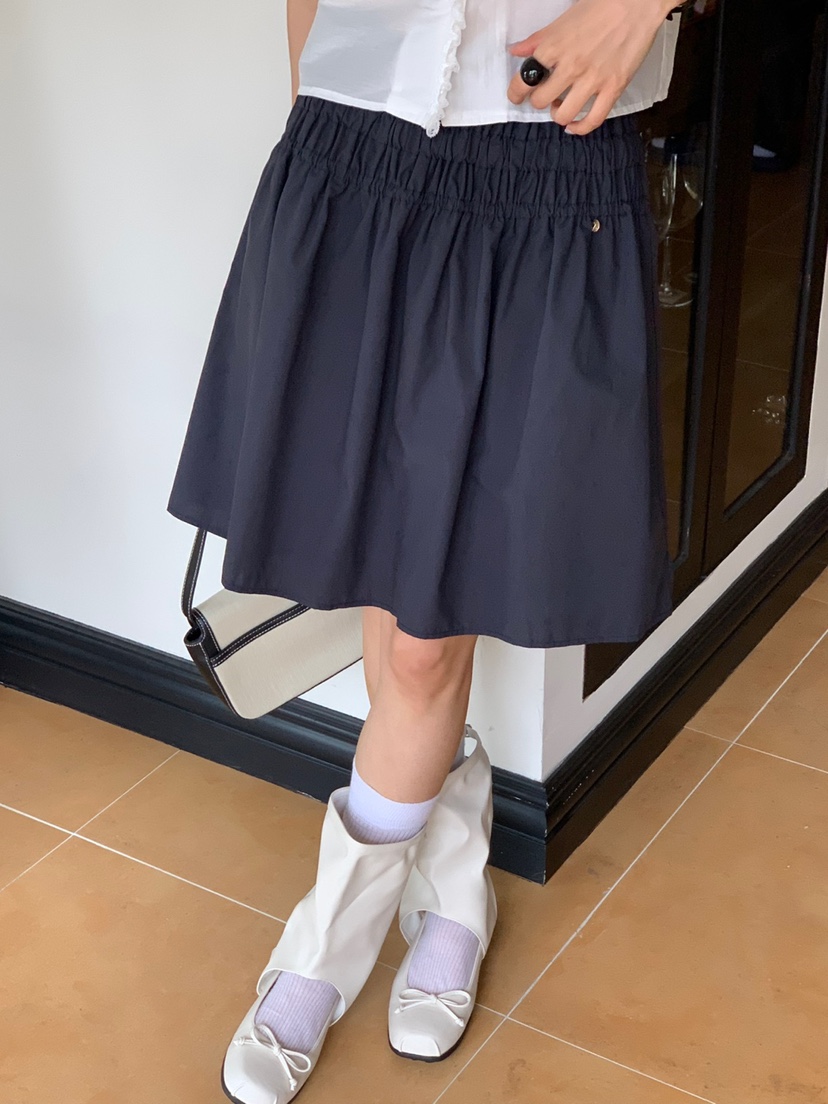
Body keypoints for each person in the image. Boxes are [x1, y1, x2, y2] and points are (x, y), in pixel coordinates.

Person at [166, 1, 681, 1100]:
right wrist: (316, 91)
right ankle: (454, 891)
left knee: (423, 637)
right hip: (350, 160)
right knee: (387, 594)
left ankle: (322, 951)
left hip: (549, 175)